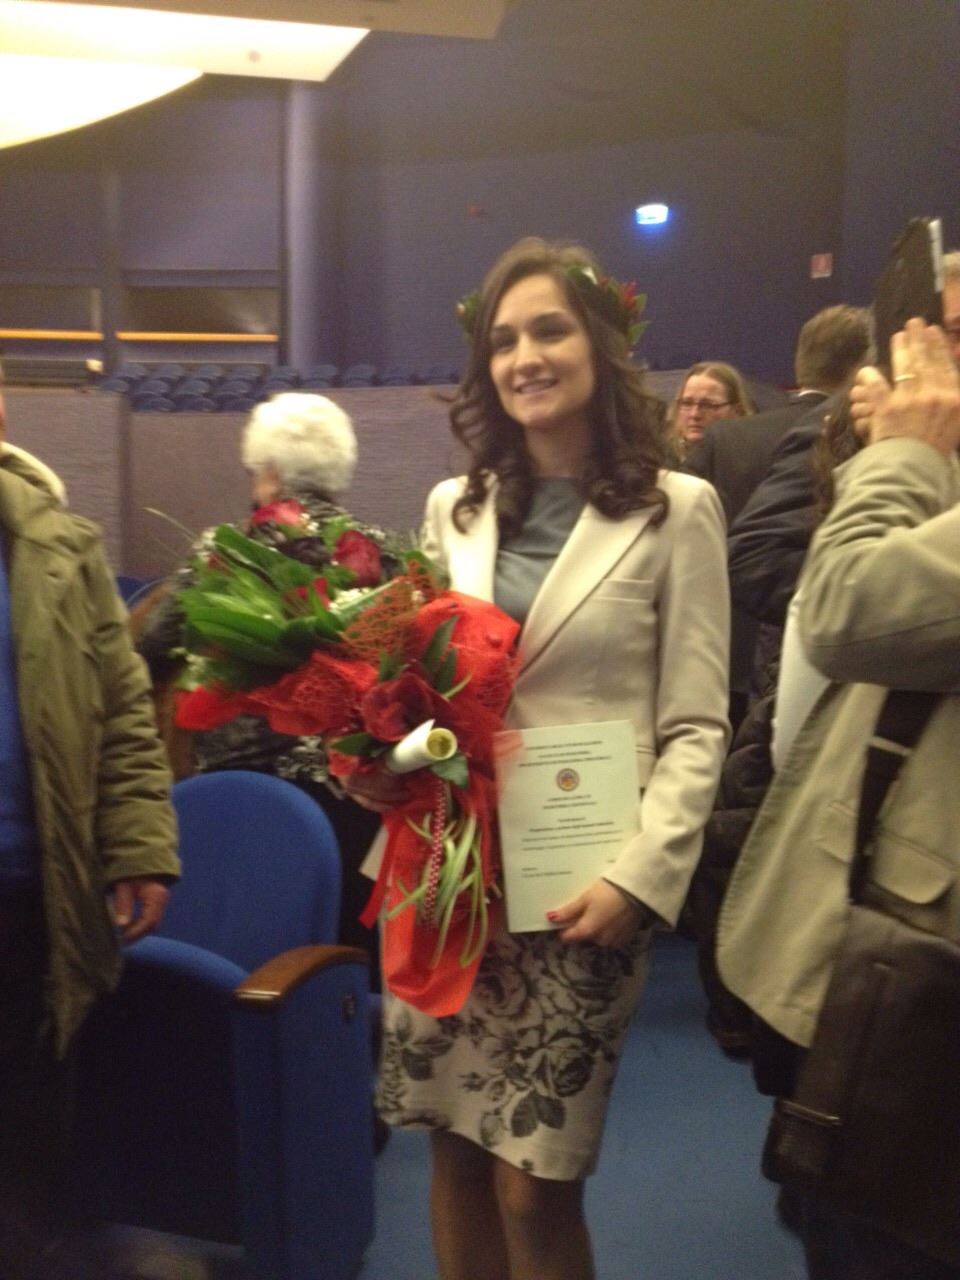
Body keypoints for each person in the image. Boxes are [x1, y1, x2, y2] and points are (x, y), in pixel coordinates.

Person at [346, 237, 730, 1280]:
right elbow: (426, 694)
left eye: (549, 330)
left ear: (599, 344)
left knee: (535, 1182)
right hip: (448, 875)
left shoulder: (677, 508)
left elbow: (699, 724)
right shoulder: (454, 505)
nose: (525, 356)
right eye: (504, 339)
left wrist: (642, 878)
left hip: (581, 882)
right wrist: (380, 762)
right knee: (453, 1151)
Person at [718, 317, 960, 1280]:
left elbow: (846, 607)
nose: (930, 367)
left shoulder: (916, 456)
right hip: (871, 945)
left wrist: (905, 453)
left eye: (953, 338)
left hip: (915, 987)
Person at [0, 360, 179, 1278]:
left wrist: (139, 846)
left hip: (33, 887)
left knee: (30, 1110)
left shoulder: (59, 547)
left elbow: (125, 713)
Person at [136, 391, 392, 967]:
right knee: (340, 964)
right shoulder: (380, 554)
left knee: (246, 962)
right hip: (357, 797)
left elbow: (148, 648)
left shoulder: (227, 549)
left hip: (244, 800)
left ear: (269, 472)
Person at [668, 359, 753, 461]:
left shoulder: (755, 463)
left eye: (707, 405)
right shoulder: (661, 462)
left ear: (737, 411)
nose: (694, 414)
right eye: (687, 403)